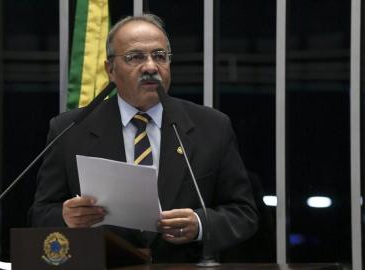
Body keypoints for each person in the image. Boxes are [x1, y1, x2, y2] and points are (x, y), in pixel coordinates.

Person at [30, 13, 258, 263]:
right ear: (110, 70)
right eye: (135, 57)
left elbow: (243, 213)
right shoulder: (71, 129)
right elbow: (40, 213)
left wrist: (200, 223)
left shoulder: (212, 127)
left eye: (159, 56)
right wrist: (66, 217)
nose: (151, 67)